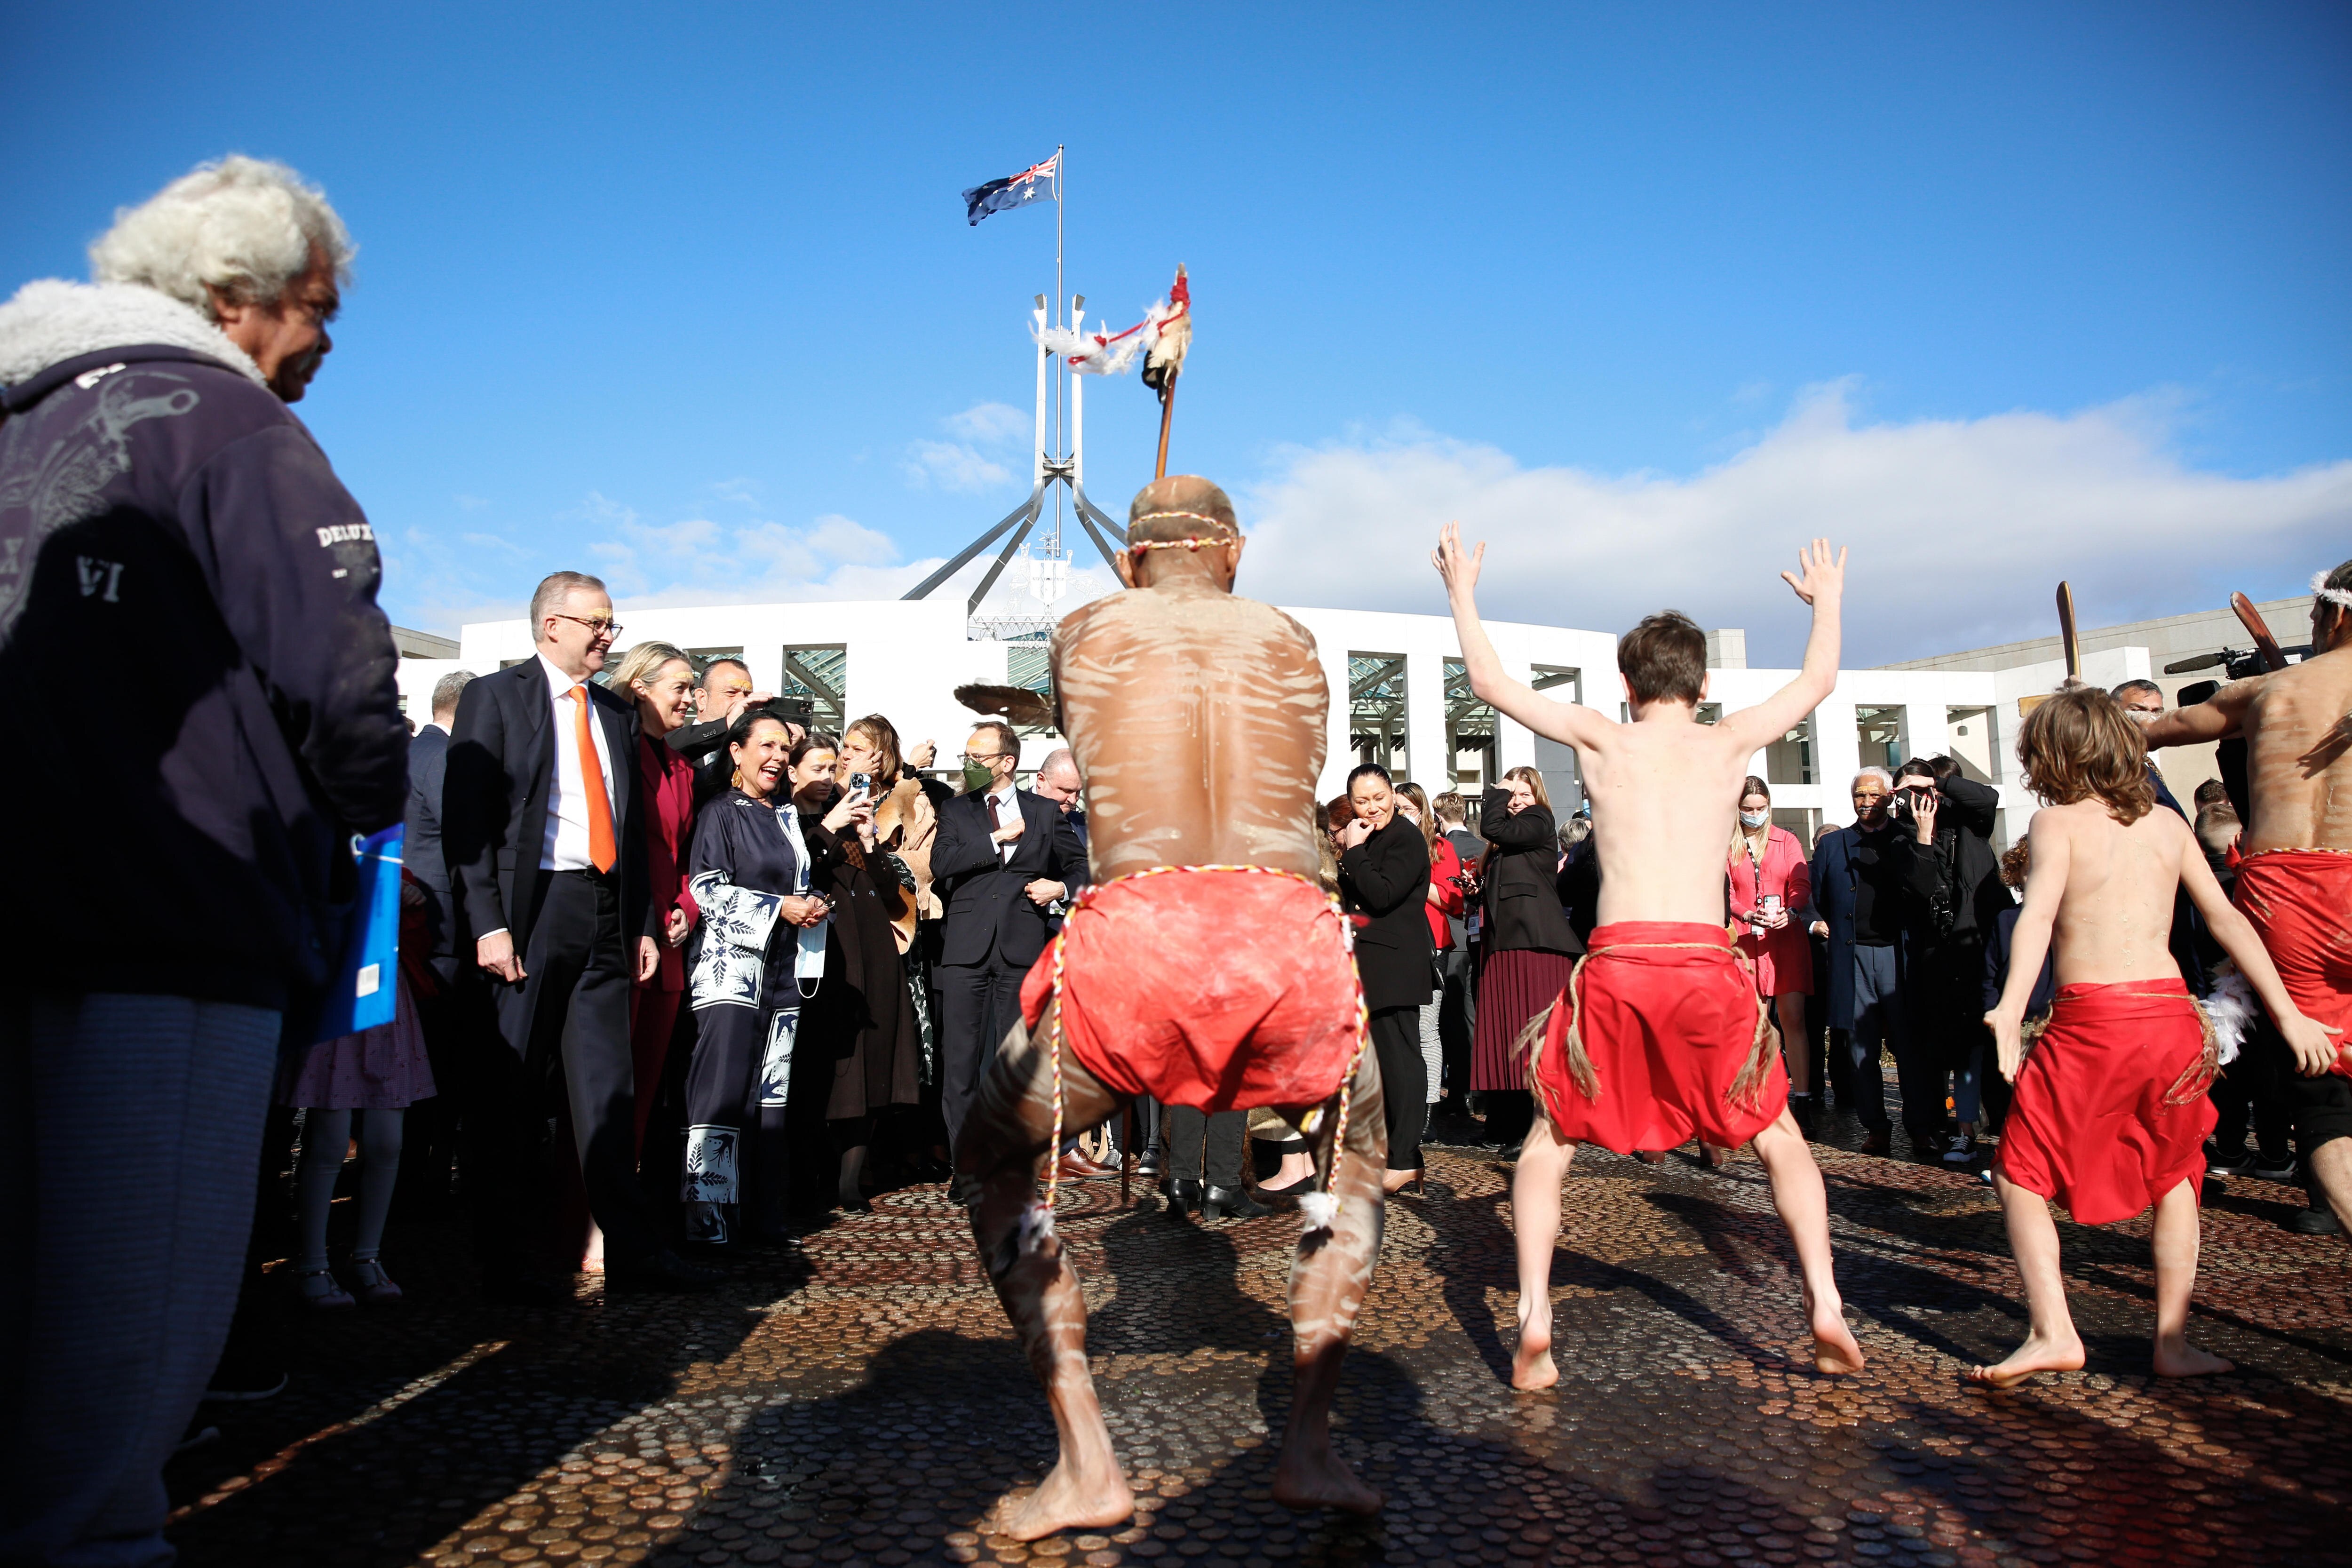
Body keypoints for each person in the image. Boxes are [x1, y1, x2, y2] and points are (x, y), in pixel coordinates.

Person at [0, 156, 408, 1565]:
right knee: (129, 1318)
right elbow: (348, 684)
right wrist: (350, 801)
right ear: (237, 301)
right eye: (319, 305)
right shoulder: (231, 430)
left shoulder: (20, 416)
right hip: (170, 919)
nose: (328, 338)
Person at [959, 475, 1390, 1535]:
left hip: (1137, 938)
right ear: (1234, 551)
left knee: (994, 1158)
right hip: (1288, 937)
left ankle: (1087, 1460)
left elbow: (1096, 714)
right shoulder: (1288, 637)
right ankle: (1310, 1443)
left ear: (1130, 560)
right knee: (1356, 1166)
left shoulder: (1085, 627)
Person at [1437, 523, 1864, 1390]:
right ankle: (1824, 1299)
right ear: (1702, 684)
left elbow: (1488, 681)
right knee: (1778, 1137)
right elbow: (1819, 680)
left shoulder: (1601, 738)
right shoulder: (1728, 740)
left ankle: (1534, 1316)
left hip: (1621, 960)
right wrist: (1828, 603)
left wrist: (1462, 590)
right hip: (1707, 961)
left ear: (1626, 683)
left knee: (1549, 1140)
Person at [1973, 686, 2335, 1385]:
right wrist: (2287, 1013)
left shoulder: (2058, 825)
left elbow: (2038, 920)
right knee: (2176, 1175)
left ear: (2051, 758)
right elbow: (2231, 924)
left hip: (2095, 1022)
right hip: (2171, 1020)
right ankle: (2172, 1342)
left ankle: (2054, 1331)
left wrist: (2012, 1009)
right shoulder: (2170, 826)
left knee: (2020, 1173)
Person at [445, 572, 717, 1293]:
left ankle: (629, 1248)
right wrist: (488, 924)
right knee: (510, 1088)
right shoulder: (495, 697)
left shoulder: (613, 712)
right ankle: (501, 1257)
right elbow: (468, 823)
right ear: (551, 624)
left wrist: (636, 925)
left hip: (603, 916)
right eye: (597, 622)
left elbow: (627, 828)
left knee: (609, 1093)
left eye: (612, 623)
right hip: (529, 915)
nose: (607, 635)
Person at [2139, 558, 2352, 1233]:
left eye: (2315, 615)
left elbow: (2156, 729)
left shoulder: (2271, 691)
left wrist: (2083, 708)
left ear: (2336, 614)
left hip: (2285, 901)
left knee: (2324, 1091)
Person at [677, 714, 842, 1242]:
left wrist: (812, 905)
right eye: (764, 746)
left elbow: (796, 885)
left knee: (771, 1097)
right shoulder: (720, 814)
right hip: (730, 976)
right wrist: (780, 908)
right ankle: (708, 1220)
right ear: (736, 752)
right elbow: (706, 890)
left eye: (782, 748)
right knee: (721, 1096)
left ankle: (760, 1216)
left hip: (782, 975)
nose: (775, 757)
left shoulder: (786, 816)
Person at [929, 721, 1088, 1147]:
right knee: (960, 1062)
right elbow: (941, 864)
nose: (970, 763)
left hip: (1021, 950)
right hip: (965, 950)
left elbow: (1084, 866)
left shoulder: (1042, 811)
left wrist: (1061, 888)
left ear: (1008, 762)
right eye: (968, 755)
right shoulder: (958, 810)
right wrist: (995, 837)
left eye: (978, 757)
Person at [791, 734, 920, 1213]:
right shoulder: (793, 819)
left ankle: (850, 1180)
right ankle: (808, 1176)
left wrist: (867, 840)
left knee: (872, 1063)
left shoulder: (853, 824)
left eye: (833, 769)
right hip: (826, 957)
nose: (828, 778)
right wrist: (830, 824)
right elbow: (799, 868)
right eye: (819, 768)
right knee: (824, 1066)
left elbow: (888, 890)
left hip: (874, 952)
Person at [610, 642, 704, 1156]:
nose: (690, 699)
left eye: (692, 688)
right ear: (639, 686)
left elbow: (686, 855)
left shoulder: (681, 769)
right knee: (605, 1089)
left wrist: (685, 909)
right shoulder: (612, 755)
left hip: (668, 945)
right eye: (681, 688)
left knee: (644, 1090)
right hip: (621, 938)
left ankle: (625, 1204)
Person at [1890, 755, 2007, 1164]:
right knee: (1958, 1049)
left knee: (1996, 1044)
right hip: (1939, 955)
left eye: (1923, 790)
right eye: (1908, 792)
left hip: (1984, 943)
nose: (1918, 799)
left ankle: (2014, 1131)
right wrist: (1922, 836)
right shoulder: (1901, 837)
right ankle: (1962, 1131)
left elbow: (1987, 799)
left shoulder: (1968, 823)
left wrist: (1938, 783)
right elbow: (1920, 890)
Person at [1469, 767, 1584, 1154]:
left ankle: (1539, 1129)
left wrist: (1496, 792)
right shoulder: (1507, 842)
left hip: (1536, 946)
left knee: (1534, 1039)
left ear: (1538, 798)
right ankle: (1506, 1124)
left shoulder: (1539, 820)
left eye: (1523, 793)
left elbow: (1494, 827)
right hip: (1506, 945)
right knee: (1507, 1037)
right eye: (1511, 793)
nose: (1516, 799)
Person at [1337, 763, 1436, 1196]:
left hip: (1395, 966)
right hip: (1372, 966)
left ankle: (1405, 1158)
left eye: (1379, 797)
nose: (1372, 807)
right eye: (1362, 801)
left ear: (1393, 795)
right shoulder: (1372, 837)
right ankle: (1389, 1151)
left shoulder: (1403, 838)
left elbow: (1382, 894)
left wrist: (1354, 851)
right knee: (1381, 1066)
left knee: (1402, 1063)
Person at [1807, 769, 1918, 1154]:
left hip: (1898, 956)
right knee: (1860, 1048)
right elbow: (1814, 898)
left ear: (1888, 795)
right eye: (1859, 795)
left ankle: (1919, 1124)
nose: (1866, 801)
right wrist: (1817, 924)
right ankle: (1876, 1127)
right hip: (1851, 956)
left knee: (1908, 1046)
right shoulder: (1834, 844)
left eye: (1873, 794)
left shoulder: (1908, 838)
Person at [1727, 777, 1817, 1135]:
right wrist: (1745, 913)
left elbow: (1801, 883)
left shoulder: (1786, 839)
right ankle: (1755, 1095)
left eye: (1759, 808)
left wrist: (1791, 911)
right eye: (1747, 809)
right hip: (1747, 940)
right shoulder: (1727, 844)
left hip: (1785, 938)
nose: (1754, 814)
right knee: (1752, 1022)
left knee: (1793, 1019)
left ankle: (1805, 1097)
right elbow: (1726, 890)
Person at [1396, 781, 1465, 1139]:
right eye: (1397, 809)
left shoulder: (1440, 848)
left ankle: (1427, 1110)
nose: (1402, 816)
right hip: (1393, 946)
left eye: (1408, 809)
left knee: (1426, 1030)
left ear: (1423, 812)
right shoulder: (1384, 846)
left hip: (1432, 946)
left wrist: (1411, 875)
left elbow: (1454, 901)